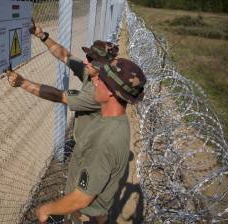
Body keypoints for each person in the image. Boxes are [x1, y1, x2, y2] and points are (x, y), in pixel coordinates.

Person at [35, 58, 146, 223]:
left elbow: (81, 199)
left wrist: (46, 209)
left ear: (110, 91)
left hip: (85, 214)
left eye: (100, 79)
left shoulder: (105, 141)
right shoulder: (115, 120)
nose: (94, 82)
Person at [8, 20, 119, 143]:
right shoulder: (95, 73)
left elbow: (58, 96)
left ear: (103, 67)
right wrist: (42, 36)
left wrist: (22, 83)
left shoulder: (99, 93)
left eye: (92, 60)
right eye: (88, 57)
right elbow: (65, 55)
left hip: (91, 147)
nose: (86, 62)